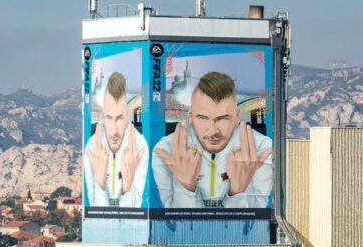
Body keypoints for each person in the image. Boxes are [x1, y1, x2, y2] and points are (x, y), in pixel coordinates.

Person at [152, 71, 272, 208]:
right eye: (202, 118)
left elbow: (258, 219)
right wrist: (186, 186)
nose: (213, 131)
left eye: (223, 119)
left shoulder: (262, 148)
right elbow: (170, 219)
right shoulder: (165, 150)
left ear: (237, 116)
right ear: (190, 116)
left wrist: (238, 191)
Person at [84, 71, 148, 207]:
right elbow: (94, 210)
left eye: (119, 118)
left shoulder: (140, 145)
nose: (114, 131)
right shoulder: (92, 147)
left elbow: (135, 210)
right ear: (103, 116)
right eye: (109, 118)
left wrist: (127, 187)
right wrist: (100, 184)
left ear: (127, 116)